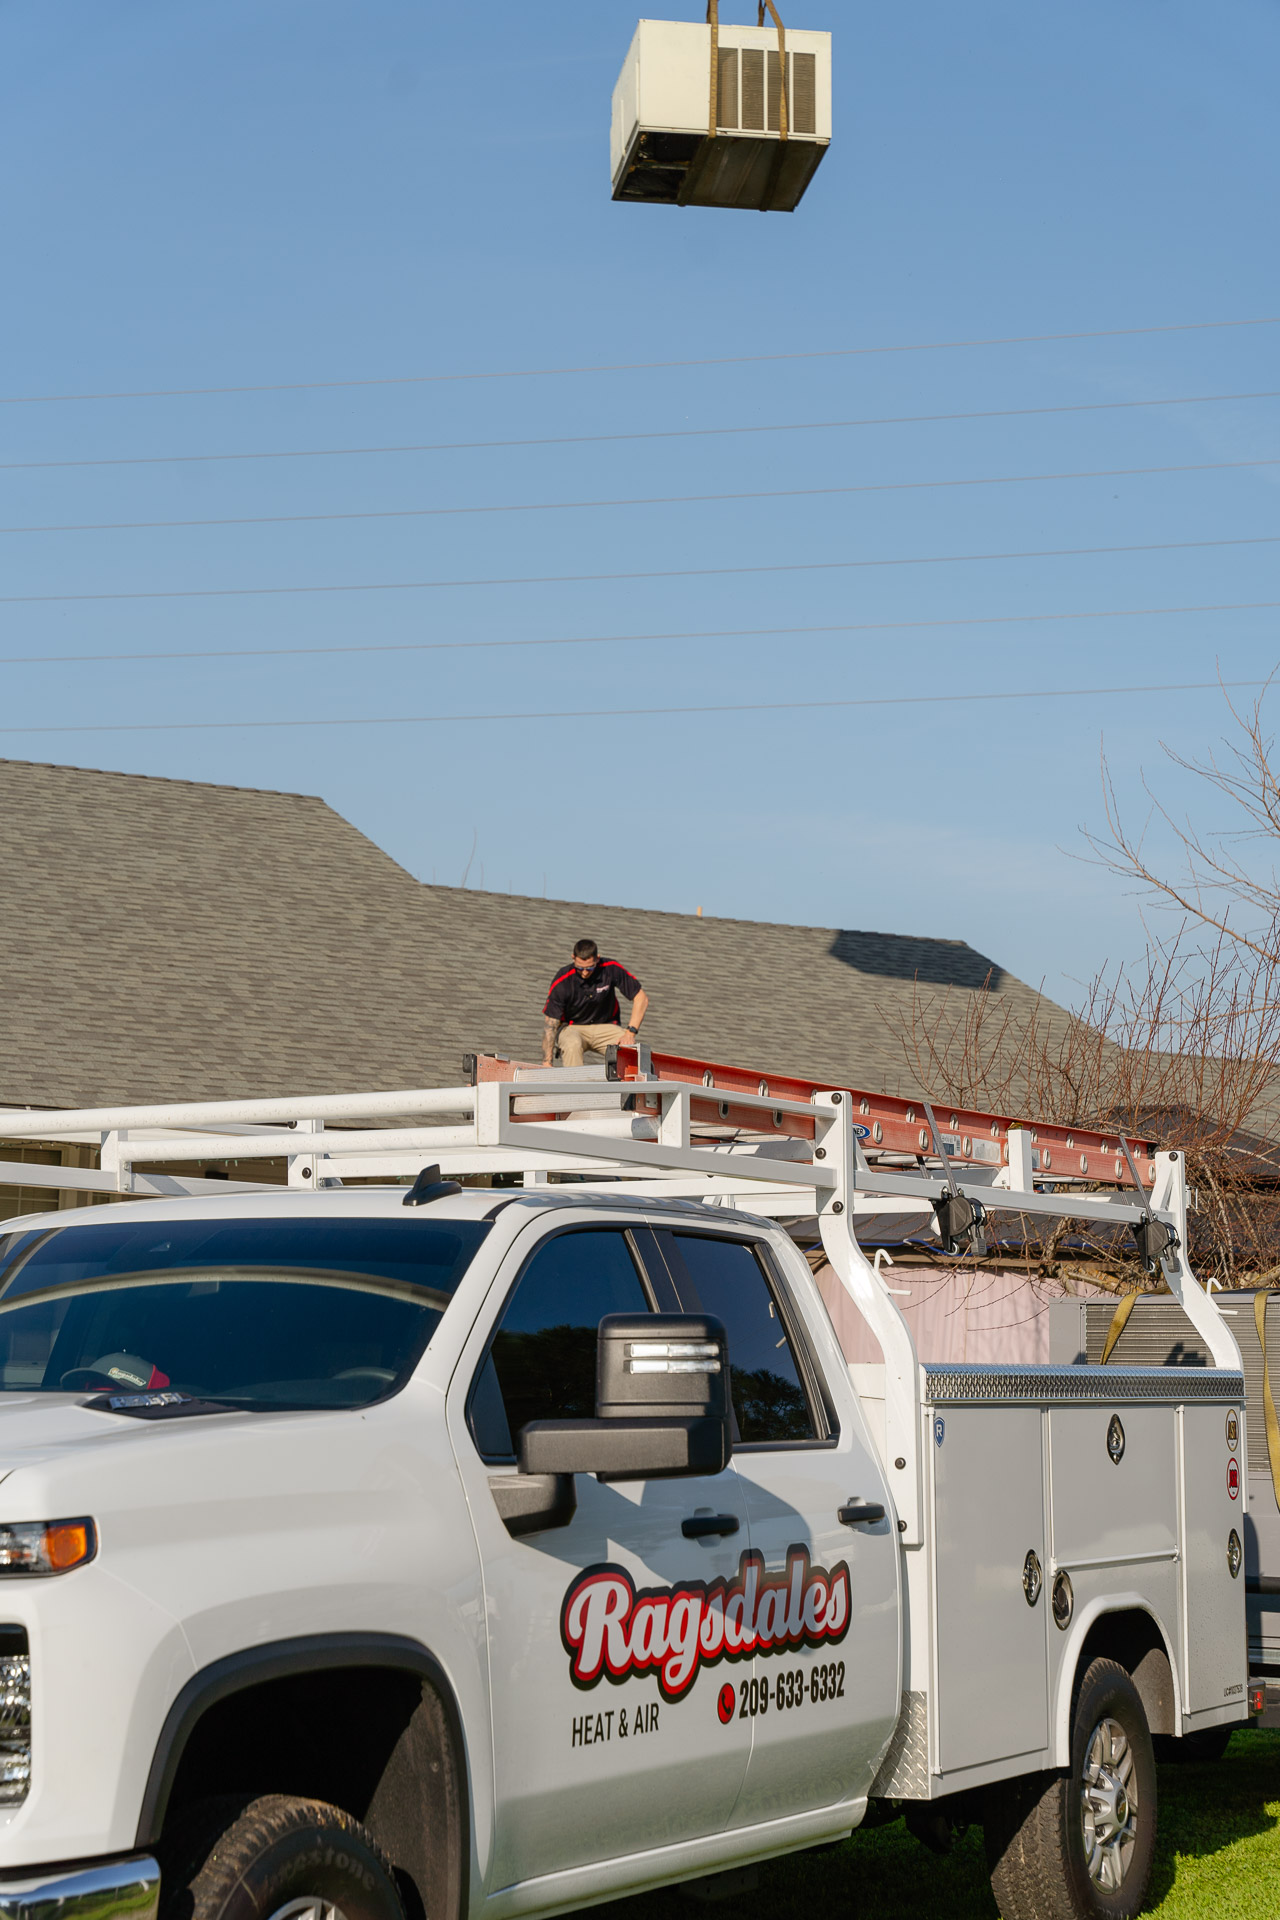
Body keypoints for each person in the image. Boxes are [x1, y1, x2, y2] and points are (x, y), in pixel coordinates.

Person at [542, 940, 649, 1067]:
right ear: (573, 958)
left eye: (590, 968)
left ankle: (626, 1085)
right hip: (572, 1027)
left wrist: (630, 1033)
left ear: (597, 958)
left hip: (606, 1027)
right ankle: (577, 1085)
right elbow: (551, 1023)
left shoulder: (610, 968)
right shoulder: (563, 979)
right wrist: (547, 1061)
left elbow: (641, 998)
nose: (585, 973)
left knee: (630, 1050)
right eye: (580, 968)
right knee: (572, 1044)